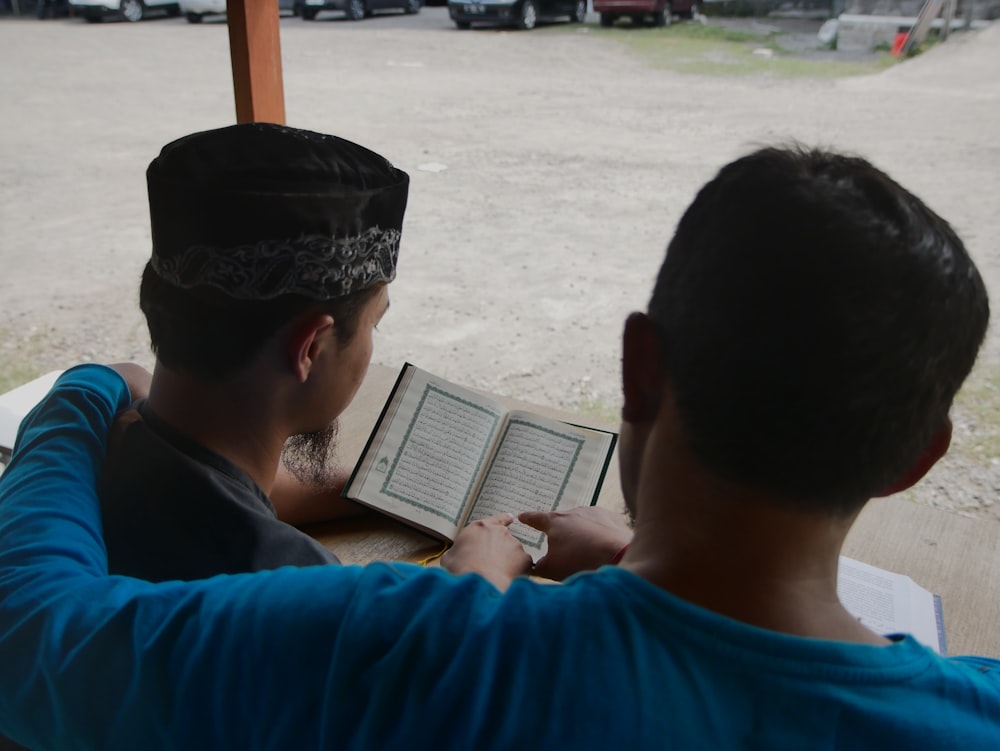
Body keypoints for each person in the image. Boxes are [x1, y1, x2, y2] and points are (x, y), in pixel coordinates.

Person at [1, 145, 999, 749]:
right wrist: (618, 555)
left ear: (638, 366)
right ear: (914, 456)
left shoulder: (399, 646)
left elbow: (31, 634)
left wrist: (80, 388)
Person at [99, 123, 409, 580]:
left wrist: (400, 489)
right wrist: (484, 565)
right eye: (373, 324)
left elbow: (251, 489)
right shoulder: (282, 579)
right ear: (311, 348)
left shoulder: (104, 431)